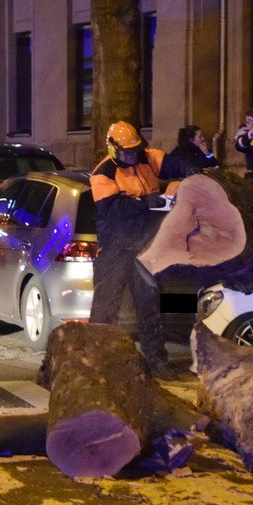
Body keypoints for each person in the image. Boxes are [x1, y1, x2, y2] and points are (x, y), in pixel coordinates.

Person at [88, 121, 196, 379]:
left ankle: (157, 362)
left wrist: (191, 169)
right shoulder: (102, 174)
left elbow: (173, 163)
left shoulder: (147, 157)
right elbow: (114, 210)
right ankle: (96, 362)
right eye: (126, 153)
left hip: (144, 247)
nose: (132, 157)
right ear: (113, 150)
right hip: (116, 247)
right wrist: (144, 202)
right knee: (105, 308)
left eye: (135, 151)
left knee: (149, 306)